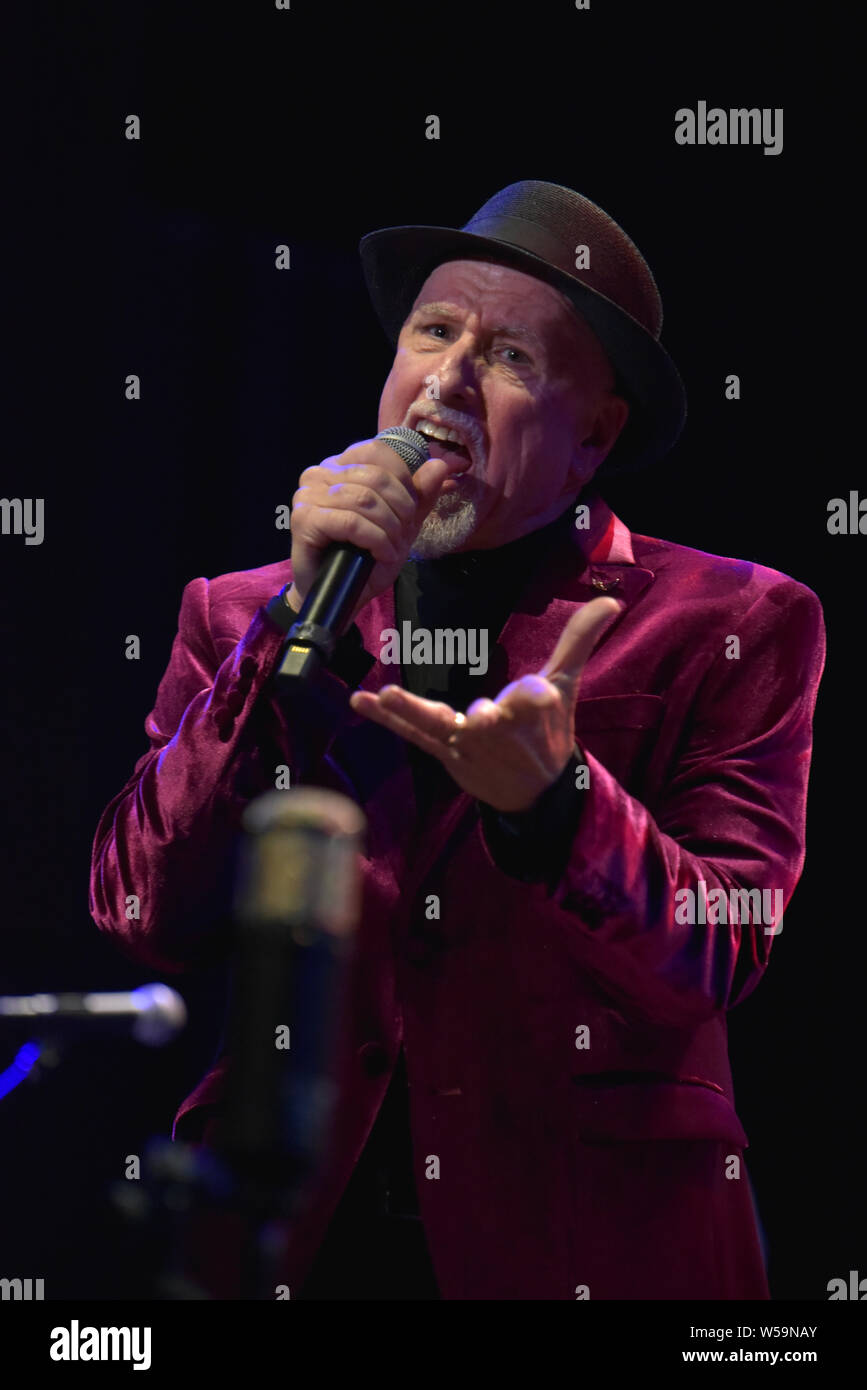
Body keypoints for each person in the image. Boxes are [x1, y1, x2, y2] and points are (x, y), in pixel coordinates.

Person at [90, 180, 825, 1300]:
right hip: (295, 1239)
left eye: (511, 357)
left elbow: (723, 945)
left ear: (596, 433)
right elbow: (142, 911)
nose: (447, 378)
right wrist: (287, 649)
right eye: (433, 332)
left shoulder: (730, 620)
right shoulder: (244, 611)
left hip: (585, 1247)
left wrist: (561, 808)